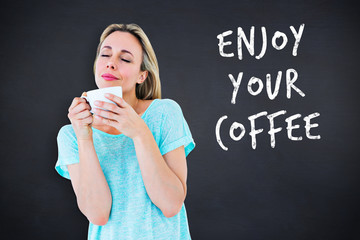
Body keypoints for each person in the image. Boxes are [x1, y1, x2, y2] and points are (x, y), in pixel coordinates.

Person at [55, 23, 195, 239]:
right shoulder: (71, 135)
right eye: (105, 55)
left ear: (142, 75)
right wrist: (84, 137)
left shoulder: (165, 113)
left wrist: (139, 132)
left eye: (125, 59)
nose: (111, 64)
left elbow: (171, 205)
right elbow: (98, 214)